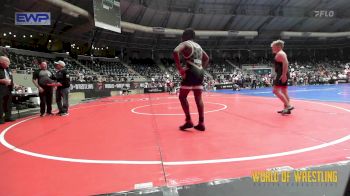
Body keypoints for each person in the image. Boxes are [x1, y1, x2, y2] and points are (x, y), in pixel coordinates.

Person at [173, 28, 209, 131]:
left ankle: (188, 120)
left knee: (182, 97)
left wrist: (180, 69)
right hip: (200, 72)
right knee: (198, 98)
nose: (181, 38)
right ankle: (201, 123)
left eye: (182, 36)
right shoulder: (199, 46)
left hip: (191, 71)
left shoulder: (185, 43)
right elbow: (207, 58)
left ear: (185, 36)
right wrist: (202, 68)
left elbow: (175, 51)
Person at [270, 40, 294, 115]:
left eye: (273, 47)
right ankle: (286, 109)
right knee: (284, 91)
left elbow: (286, 62)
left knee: (275, 91)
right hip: (283, 73)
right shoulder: (281, 53)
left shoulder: (280, 54)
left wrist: (283, 75)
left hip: (282, 73)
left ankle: (288, 106)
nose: (272, 48)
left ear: (278, 47)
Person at [0, 56, 15, 124]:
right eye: (8, 62)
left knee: (8, 103)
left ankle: (8, 117)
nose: (9, 63)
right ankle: (0, 118)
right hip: (1, 89)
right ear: (2, 62)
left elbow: (10, 78)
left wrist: (14, 84)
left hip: (8, 89)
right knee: (0, 104)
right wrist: (1, 80)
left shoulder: (8, 69)